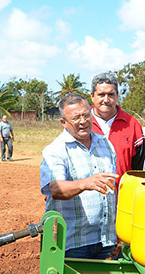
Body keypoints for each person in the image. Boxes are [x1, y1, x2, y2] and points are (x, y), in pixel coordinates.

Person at [40, 93, 118, 259]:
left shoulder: (105, 144)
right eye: (76, 118)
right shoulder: (56, 150)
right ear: (63, 122)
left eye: (86, 115)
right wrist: (85, 184)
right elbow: (55, 189)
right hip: (74, 243)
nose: (83, 121)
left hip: (106, 239)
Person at [90, 72, 145, 181]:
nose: (106, 100)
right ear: (92, 96)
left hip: (123, 194)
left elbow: (141, 167)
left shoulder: (132, 124)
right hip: (89, 194)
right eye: (101, 95)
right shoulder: (82, 123)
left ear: (117, 96)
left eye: (111, 94)